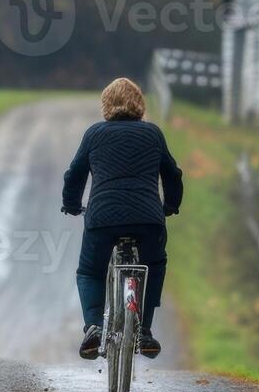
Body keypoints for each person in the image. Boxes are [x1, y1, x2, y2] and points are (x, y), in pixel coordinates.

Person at [61, 77, 182, 360]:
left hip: (102, 218)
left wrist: (71, 205)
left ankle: (93, 326)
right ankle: (145, 331)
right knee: (153, 264)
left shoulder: (94, 134)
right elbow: (173, 175)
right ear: (139, 105)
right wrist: (170, 206)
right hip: (148, 219)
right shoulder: (153, 134)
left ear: (105, 105)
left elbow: (74, 174)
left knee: (90, 271)